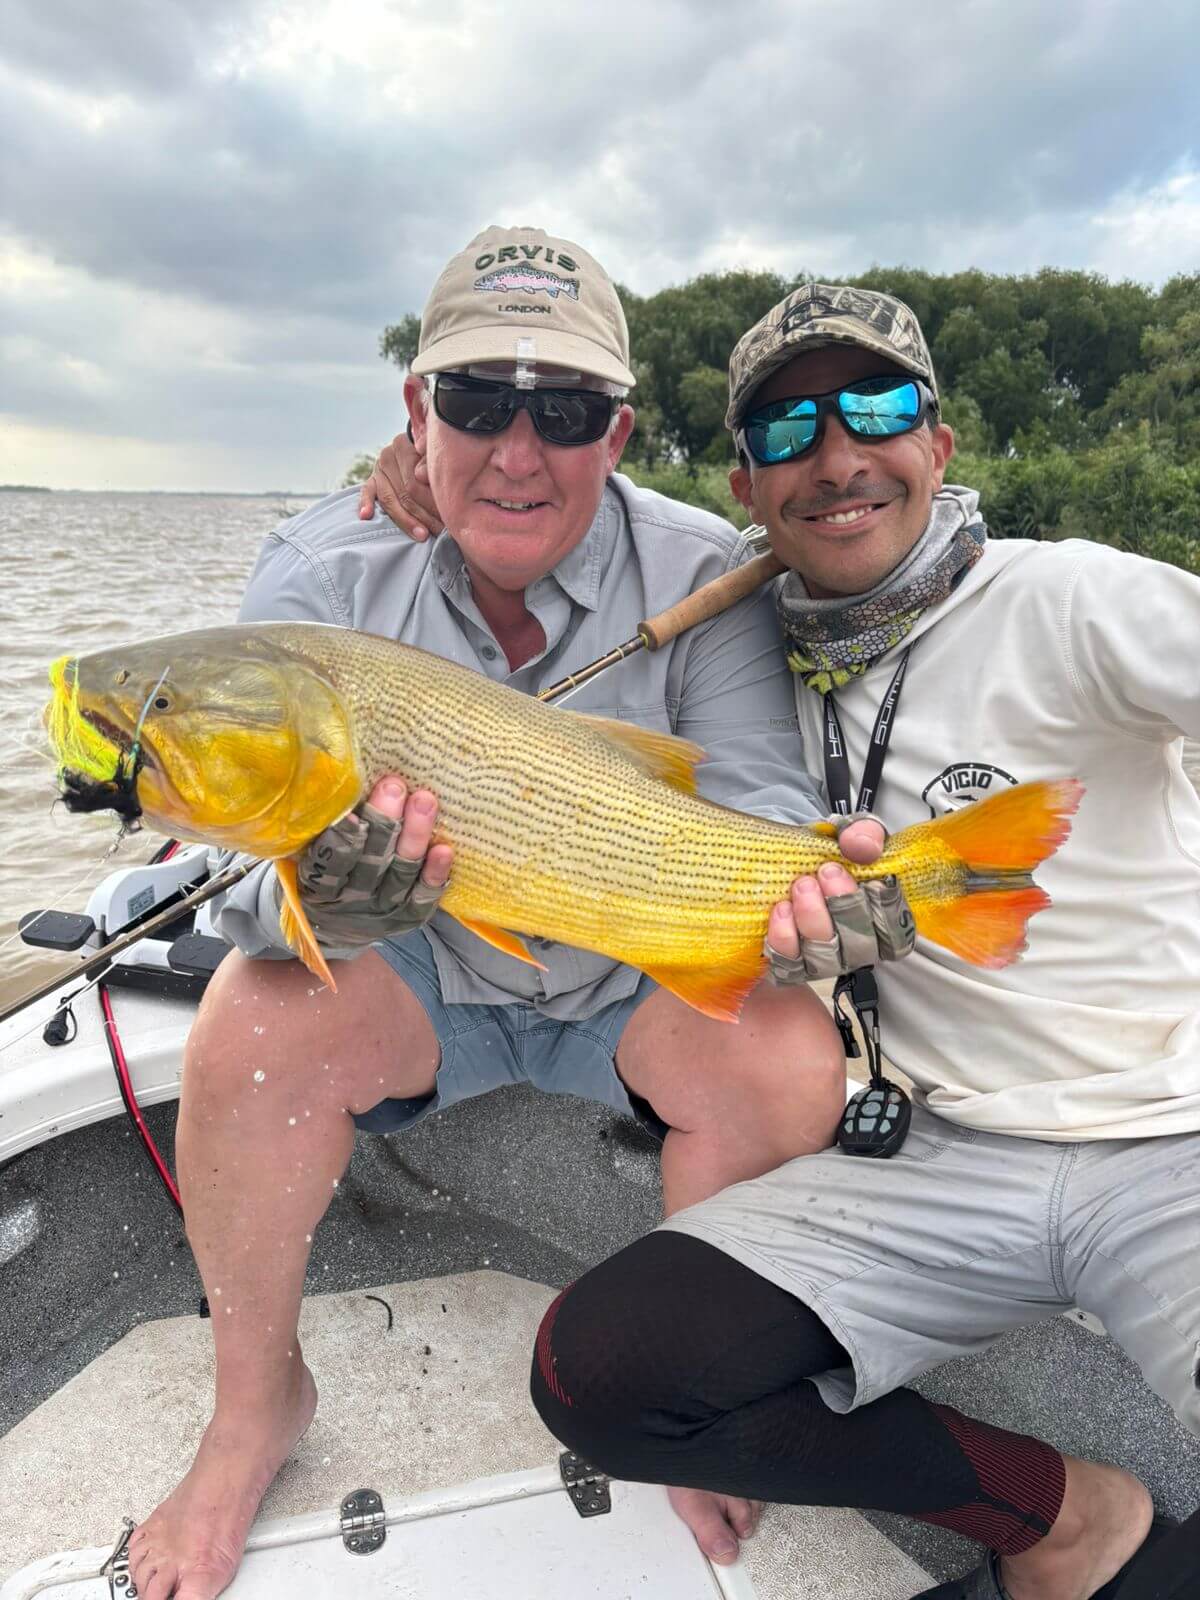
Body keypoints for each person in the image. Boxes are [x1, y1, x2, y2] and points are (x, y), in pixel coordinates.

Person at [125, 234, 911, 1600]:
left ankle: (692, 1385)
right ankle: (255, 1409)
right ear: (415, 417)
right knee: (251, 1024)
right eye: (480, 401)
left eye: (564, 411)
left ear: (619, 433)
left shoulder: (704, 575)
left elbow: (766, 815)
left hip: (626, 981)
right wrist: (315, 894)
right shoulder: (317, 579)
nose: (517, 451)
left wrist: (819, 909)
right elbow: (242, 877)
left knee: (789, 1046)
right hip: (420, 974)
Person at [528, 283, 1200, 1599]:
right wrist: (403, 489)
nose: (837, 456)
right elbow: (552, 555)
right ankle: (1064, 1519)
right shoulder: (746, 652)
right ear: (747, 484)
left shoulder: (1070, 599)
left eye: (877, 409)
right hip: (931, 1148)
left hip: (1172, 1132)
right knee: (598, 1376)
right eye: (788, 431)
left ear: (938, 446)